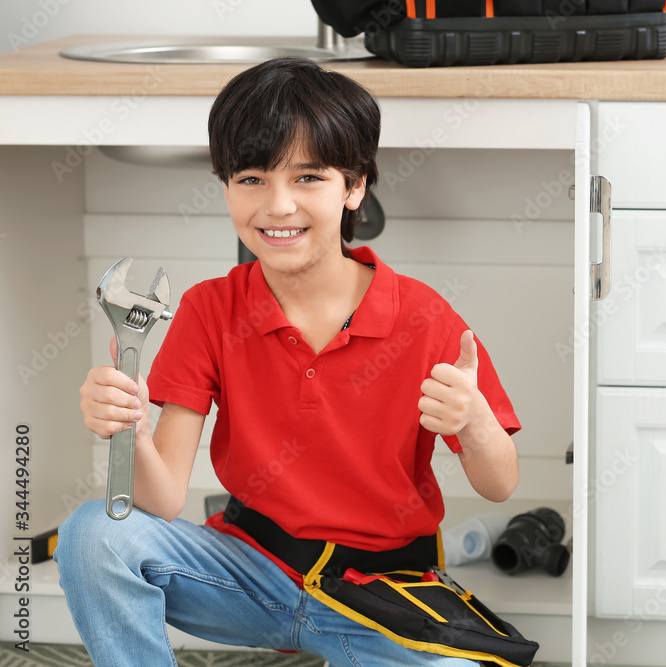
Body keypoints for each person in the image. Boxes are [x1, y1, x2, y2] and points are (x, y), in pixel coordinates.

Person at [56, 57, 523, 667]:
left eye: (308, 178)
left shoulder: (425, 318)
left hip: (380, 599)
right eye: (251, 179)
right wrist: (132, 433)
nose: (277, 206)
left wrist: (475, 423)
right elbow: (163, 501)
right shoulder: (209, 310)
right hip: (250, 579)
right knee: (93, 534)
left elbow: (500, 483)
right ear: (224, 186)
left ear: (355, 186)